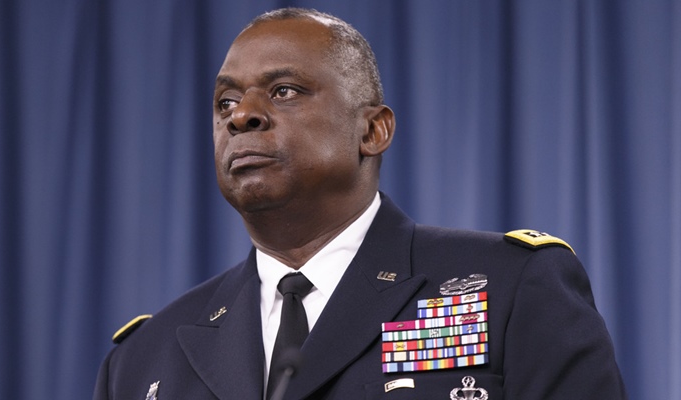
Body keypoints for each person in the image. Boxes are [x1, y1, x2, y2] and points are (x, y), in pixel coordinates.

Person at [94, 8, 627, 400]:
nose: (241, 116)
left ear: (372, 131)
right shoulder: (142, 359)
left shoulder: (511, 288)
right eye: (226, 102)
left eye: (284, 91)